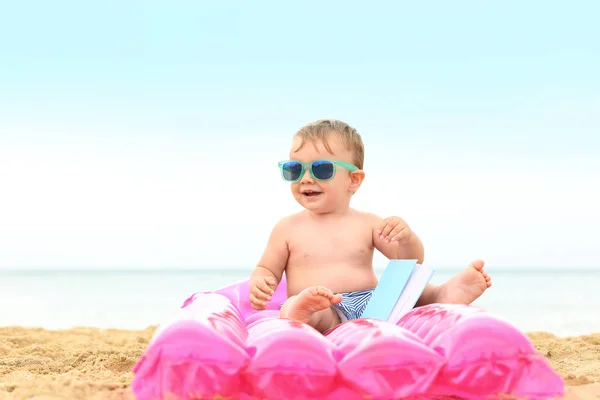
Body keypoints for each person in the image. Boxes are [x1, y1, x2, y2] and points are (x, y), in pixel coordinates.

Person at [249, 119, 492, 333]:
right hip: (324, 305)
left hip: (373, 302)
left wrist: (406, 239)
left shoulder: (367, 223)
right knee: (309, 309)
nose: (306, 178)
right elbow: (267, 268)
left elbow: (408, 263)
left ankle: (441, 295)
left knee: (407, 284)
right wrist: (262, 280)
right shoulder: (287, 228)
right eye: (294, 169)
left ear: (353, 180)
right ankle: (300, 313)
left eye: (322, 169)